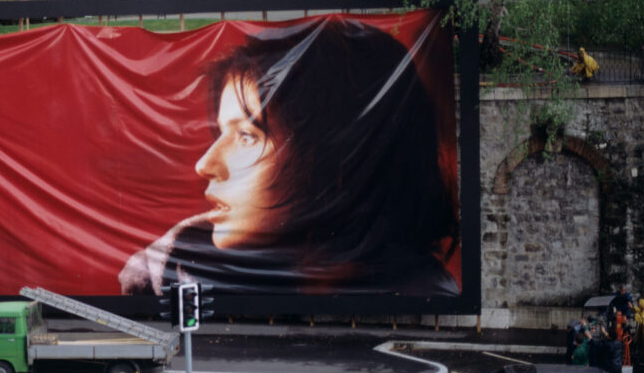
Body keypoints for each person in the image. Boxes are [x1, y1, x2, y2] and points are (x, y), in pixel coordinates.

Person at [118, 18, 460, 296]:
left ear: (337, 159)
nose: (205, 165)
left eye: (247, 136)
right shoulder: (163, 274)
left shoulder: (419, 294)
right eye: (221, 132)